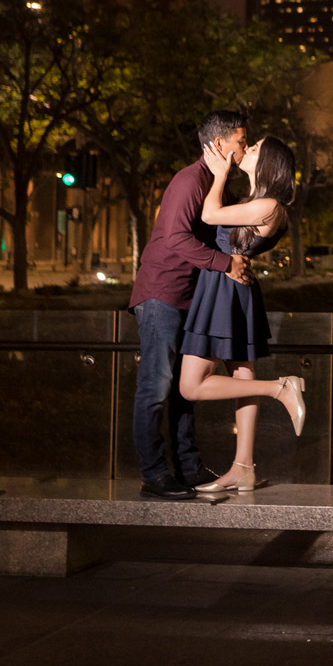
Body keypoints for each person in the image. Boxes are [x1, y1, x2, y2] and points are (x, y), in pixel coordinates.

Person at [125, 112, 256, 500]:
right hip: (162, 294)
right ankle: (154, 475)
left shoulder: (215, 185)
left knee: (186, 389)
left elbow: (231, 230)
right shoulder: (188, 181)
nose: (245, 149)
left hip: (191, 297)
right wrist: (227, 264)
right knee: (156, 387)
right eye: (241, 142)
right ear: (218, 145)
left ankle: (188, 467)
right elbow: (176, 238)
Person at [176, 135, 307, 492]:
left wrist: (218, 174)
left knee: (190, 386)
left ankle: (281, 388)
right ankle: (243, 467)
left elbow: (209, 214)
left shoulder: (267, 205)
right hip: (233, 288)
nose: (247, 150)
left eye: (255, 148)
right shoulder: (259, 202)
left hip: (223, 291)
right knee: (241, 379)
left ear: (269, 163)